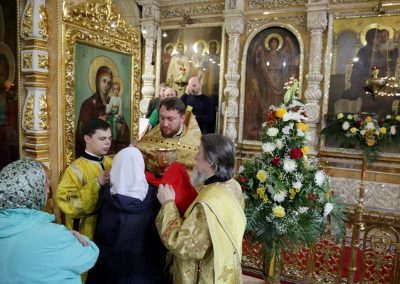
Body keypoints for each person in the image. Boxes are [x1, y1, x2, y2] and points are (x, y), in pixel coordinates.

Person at [156, 134, 246, 284]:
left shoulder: (208, 203)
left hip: (204, 274)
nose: (195, 157)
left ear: (210, 162)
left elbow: (182, 244)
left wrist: (168, 204)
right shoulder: (233, 186)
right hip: (225, 263)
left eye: (199, 152)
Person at [0, 158, 99, 283]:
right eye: (45, 186)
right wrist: (72, 236)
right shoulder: (54, 235)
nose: (47, 191)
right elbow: (90, 254)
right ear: (31, 190)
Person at [86, 146, 166, 284]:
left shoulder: (106, 195)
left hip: (110, 272)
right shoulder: (156, 196)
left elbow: (101, 233)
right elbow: (158, 238)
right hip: (143, 272)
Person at [57, 119, 113, 241]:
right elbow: (67, 204)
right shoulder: (74, 169)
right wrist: (97, 183)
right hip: (85, 234)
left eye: (109, 138)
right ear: (87, 139)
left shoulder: (111, 163)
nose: (108, 142)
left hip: (109, 232)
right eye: (102, 139)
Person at [137, 97, 201, 175]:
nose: (165, 124)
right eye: (162, 118)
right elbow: (142, 150)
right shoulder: (153, 135)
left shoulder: (195, 142)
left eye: (170, 119)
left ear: (182, 118)